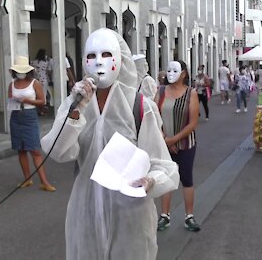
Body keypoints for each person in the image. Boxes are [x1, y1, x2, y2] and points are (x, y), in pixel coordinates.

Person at [41, 28, 179, 260]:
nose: (99, 62)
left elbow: (163, 164)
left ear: (120, 59)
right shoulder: (74, 104)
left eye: (106, 54)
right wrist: (75, 112)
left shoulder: (139, 106)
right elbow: (59, 152)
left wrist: (151, 181)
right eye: (92, 56)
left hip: (130, 216)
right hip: (85, 212)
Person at [155, 60, 201, 232]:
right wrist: (164, 138)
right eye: (169, 70)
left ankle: (189, 216)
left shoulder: (191, 93)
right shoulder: (159, 91)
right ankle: (164, 216)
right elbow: (154, 116)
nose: (171, 73)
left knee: (186, 178)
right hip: (164, 143)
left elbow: (193, 123)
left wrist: (174, 140)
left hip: (185, 144)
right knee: (166, 178)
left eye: (175, 70)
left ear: (183, 74)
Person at [8, 56, 55, 192]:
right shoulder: (12, 84)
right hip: (16, 116)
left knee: (35, 150)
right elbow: (10, 99)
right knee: (21, 149)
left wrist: (27, 100)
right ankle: (27, 178)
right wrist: (15, 100)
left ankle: (44, 181)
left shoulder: (35, 83)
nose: (20, 73)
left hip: (30, 116)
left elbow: (42, 101)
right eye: (17, 71)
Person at [30, 49, 52, 115]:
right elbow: (48, 71)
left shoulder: (33, 62)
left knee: (36, 95)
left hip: (35, 80)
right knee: (44, 95)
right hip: (44, 80)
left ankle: (38, 109)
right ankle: (43, 110)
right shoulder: (46, 63)